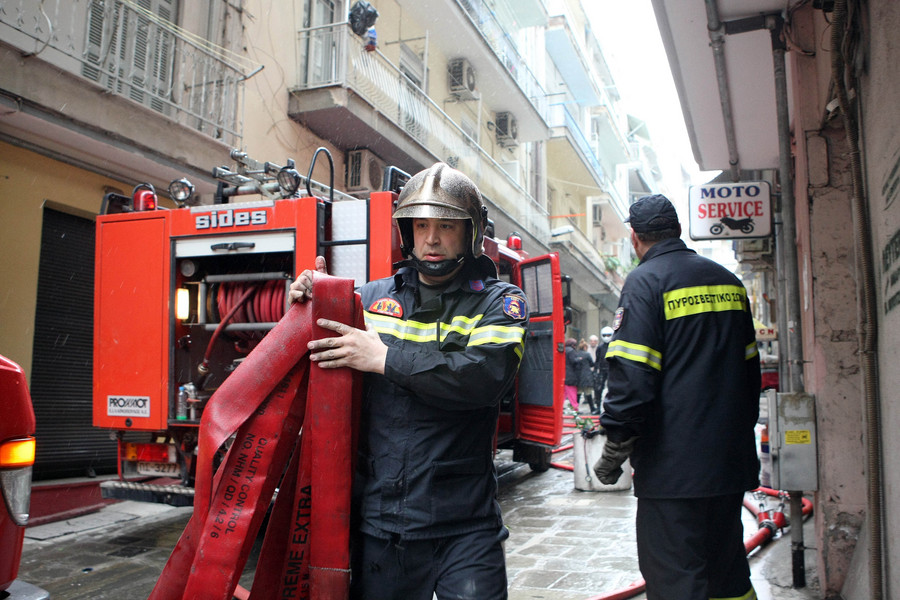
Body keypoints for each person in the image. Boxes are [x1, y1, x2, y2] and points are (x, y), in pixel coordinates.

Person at [289, 162, 528, 600]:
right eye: (421, 225)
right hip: (384, 524)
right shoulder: (373, 298)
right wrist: (309, 297)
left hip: (466, 527)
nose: (432, 239)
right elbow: (310, 356)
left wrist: (384, 359)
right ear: (407, 231)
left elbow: (484, 377)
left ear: (471, 233)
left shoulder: (500, 302)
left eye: (445, 226)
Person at [593, 194, 761, 600]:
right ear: (678, 230)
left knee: (676, 579)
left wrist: (614, 451)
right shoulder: (728, 282)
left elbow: (632, 377)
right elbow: (750, 373)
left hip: (673, 473)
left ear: (635, 237)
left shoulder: (645, 282)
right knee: (728, 575)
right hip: (728, 464)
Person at [563, 337, 591, 414]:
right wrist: (579, 359)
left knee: (564, 393)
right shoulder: (571, 351)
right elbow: (573, 361)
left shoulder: (564, 350)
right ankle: (575, 408)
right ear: (572, 345)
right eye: (574, 344)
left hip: (565, 373)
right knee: (572, 392)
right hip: (571, 375)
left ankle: (560, 407)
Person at [591, 327, 613, 413]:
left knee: (613, 389)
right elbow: (597, 360)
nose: (606, 337)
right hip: (602, 370)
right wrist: (596, 370)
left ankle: (611, 408)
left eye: (608, 335)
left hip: (612, 370)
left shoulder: (614, 346)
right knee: (598, 389)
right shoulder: (600, 347)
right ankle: (598, 407)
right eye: (605, 335)